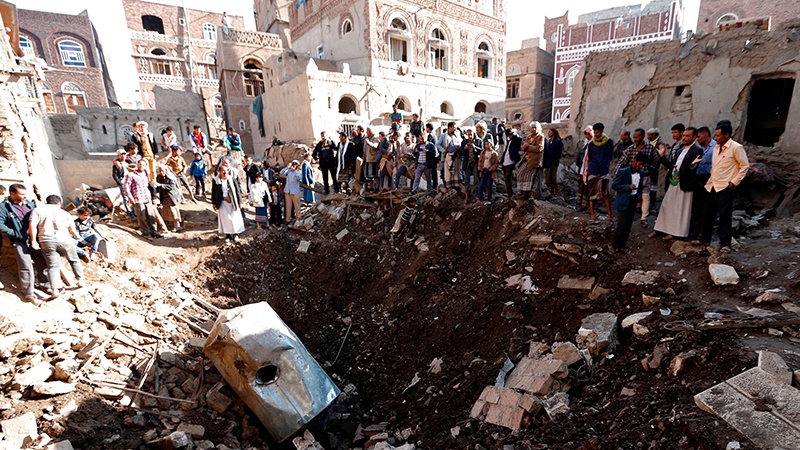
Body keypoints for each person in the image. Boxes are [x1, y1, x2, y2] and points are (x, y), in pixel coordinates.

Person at [697, 123, 750, 253]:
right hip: (712, 185)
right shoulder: (716, 148)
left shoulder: (736, 148)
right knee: (707, 214)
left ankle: (725, 243)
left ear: (726, 135)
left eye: (718, 135)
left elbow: (744, 166)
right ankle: (705, 239)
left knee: (724, 216)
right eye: (715, 135)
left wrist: (734, 181)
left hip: (725, 187)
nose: (715, 138)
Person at [652, 127, 703, 240]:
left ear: (694, 137)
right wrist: (662, 156)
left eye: (687, 136)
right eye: (683, 135)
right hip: (674, 182)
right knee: (667, 205)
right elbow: (672, 166)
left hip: (685, 184)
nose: (684, 138)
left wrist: (692, 165)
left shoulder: (697, 150)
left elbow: (693, 168)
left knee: (680, 209)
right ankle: (661, 229)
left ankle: (675, 232)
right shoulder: (680, 150)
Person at [29, 195, 84, 298]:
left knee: (52, 266)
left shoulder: (38, 211)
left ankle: (55, 290)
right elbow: (72, 230)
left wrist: (33, 240)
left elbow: (32, 224)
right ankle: (80, 280)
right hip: (64, 240)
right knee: (74, 260)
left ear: (47, 201)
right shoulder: (65, 213)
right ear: (59, 203)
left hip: (46, 240)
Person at [0, 184, 45, 303]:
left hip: (34, 239)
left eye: (26, 194)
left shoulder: (29, 204)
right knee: (26, 266)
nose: (25, 197)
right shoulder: (5, 207)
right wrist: (15, 234)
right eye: (22, 194)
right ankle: (28, 293)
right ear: (12, 194)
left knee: (41, 262)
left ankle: (45, 285)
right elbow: (0, 224)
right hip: (19, 241)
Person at [615, 128, 657, 227]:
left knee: (645, 196)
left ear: (642, 137)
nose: (635, 139)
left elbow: (655, 160)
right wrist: (617, 172)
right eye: (634, 137)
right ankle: (628, 215)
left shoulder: (650, 148)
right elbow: (622, 161)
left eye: (637, 137)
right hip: (632, 176)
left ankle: (644, 218)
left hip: (645, 176)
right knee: (632, 196)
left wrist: (650, 168)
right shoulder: (630, 148)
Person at [609, 153, 648, 254]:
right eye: (640, 164)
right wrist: (627, 187)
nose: (641, 167)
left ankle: (622, 246)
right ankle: (613, 245)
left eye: (643, 165)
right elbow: (614, 185)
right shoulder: (623, 171)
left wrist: (638, 198)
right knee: (621, 223)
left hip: (633, 201)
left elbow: (640, 187)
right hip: (623, 201)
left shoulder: (641, 173)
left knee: (628, 224)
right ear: (634, 161)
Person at [580, 123, 614, 224]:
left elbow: (610, 156)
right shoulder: (591, 144)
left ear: (602, 131)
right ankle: (592, 216)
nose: (596, 134)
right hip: (592, 171)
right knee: (592, 194)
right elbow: (589, 157)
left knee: (605, 194)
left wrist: (604, 165)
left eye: (598, 132)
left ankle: (609, 217)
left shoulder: (609, 142)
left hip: (603, 171)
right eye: (595, 132)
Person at [689, 126, 716, 239]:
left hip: (709, 179)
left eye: (699, 137)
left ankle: (703, 233)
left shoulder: (715, 147)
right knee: (697, 207)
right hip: (698, 180)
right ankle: (695, 231)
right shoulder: (700, 148)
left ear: (705, 135)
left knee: (707, 208)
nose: (697, 139)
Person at [123, 161, 159, 238]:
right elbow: (126, 187)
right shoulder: (131, 175)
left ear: (145, 166)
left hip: (146, 197)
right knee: (142, 216)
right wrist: (130, 197)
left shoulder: (146, 175)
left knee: (150, 214)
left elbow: (149, 186)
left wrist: (153, 197)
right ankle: (146, 233)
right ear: (137, 165)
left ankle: (153, 231)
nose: (141, 166)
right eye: (140, 164)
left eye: (143, 164)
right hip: (138, 197)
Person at [211, 164, 244, 244]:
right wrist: (214, 203)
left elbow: (237, 190)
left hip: (232, 202)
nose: (224, 172)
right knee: (225, 220)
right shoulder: (216, 180)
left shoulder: (232, 179)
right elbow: (214, 192)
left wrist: (240, 201)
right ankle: (228, 235)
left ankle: (236, 234)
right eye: (222, 170)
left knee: (234, 218)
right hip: (222, 202)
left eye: (226, 170)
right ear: (219, 172)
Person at [518, 121, 544, 200]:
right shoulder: (528, 137)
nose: (534, 129)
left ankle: (531, 195)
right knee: (520, 174)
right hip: (526, 159)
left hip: (534, 161)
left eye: (535, 128)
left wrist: (528, 146)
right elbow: (523, 147)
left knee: (532, 178)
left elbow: (539, 148)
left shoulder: (540, 137)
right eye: (532, 127)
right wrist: (524, 147)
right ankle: (522, 192)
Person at [155, 165, 184, 233]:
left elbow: (171, 186)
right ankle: (167, 225)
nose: (161, 172)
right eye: (160, 171)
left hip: (172, 197)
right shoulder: (159, 177)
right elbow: (158, 187)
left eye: (162, 171)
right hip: (165, 197)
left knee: (174, 211)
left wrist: (160, 185)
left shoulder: (171, 178)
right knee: (166, 211)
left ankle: (177, 226)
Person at [112, 149, 135, 217]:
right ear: (118, 155)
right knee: (125, 197)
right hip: (123, 182)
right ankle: (129, 211)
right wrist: (119, 182)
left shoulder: (129, 162)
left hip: (131, 181)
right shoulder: (116, 164)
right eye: (121, 154)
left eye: (124, 154)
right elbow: (114, 175)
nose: (123, 156)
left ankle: (134, 210)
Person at [500, 128, 522, 197]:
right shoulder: (509, 141)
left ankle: (512, 194)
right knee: (507, 180)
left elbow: (518, 139)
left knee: (508, 178)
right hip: (505, 162)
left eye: (509, 135)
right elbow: (506, 151)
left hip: (511, 162)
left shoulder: (516, 140)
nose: (508, 137)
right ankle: (510, 194)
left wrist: (513, 133)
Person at [477, 139, 499, 203]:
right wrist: (479, 167)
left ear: (491, 144)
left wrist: (492, 168)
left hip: (490, 170)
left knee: (489, 185)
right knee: (481, 185)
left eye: (488, 144)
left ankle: (489, 199)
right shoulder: (483, 153)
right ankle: (480, 199)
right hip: (484, 170)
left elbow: (497, 163)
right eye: (485, 144)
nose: (486, 145)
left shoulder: (494, 154)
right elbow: (480, 161)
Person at [543, 128, 563, 197]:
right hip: (548, 162)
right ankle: (552, 191)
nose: (548, 133)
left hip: (553, 163)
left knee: (553, 177)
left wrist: (554, 162)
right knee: (549, 177)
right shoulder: (549, 142)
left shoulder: (557, 142)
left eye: (549, 132)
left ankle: (557, 191)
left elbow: (558, 154)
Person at [364, 128, 380, 192]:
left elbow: (375, 146)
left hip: (373, 160)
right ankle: (370, 188)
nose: (366, 132)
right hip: (368, 159)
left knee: (374, 175)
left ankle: (375, 188)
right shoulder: (368, 138)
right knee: (369, 176)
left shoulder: (375, 139)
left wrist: (368, 143)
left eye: (367, 131)